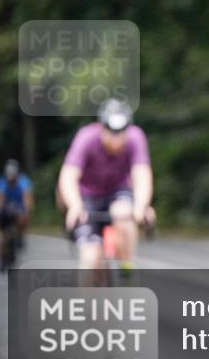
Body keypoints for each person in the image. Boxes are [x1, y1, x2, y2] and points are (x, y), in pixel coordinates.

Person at [57, 98, 155, 271]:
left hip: (117, 190)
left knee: (124, 214)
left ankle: (126, 269)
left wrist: (141, 205)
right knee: (90, 259)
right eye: (111, 132)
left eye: (121, 132)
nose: (117, 139)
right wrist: (74, 205)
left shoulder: (135, 137)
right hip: (87, 195)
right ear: (102, 128)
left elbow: (141, 174)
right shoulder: (86, 137)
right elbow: (68, 175)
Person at [0, 158, 34, 254]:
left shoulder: (23, 181)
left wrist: (26, 209)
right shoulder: (2, 181)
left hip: (19, 206)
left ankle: (20, 235)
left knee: (24, 216)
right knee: (2, 227)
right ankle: (2, 255)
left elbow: (26, 197)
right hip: (5, 207)